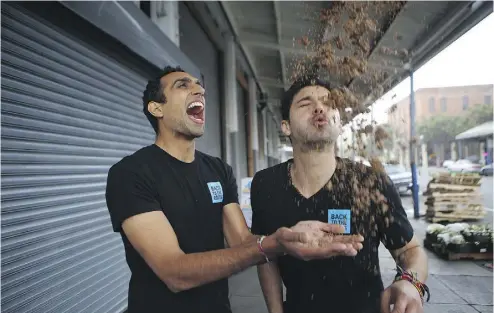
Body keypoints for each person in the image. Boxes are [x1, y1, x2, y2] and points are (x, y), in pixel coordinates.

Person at [105, 66, 365, 313]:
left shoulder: (217, 170)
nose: (200, 91)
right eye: (183, 86)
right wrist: (273, 244)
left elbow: (242, 242)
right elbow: (175, 273)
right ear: (156, 108)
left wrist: (290, 237)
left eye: (199, 85)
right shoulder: (131, 174)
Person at [250, 75, 430, 313]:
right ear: (286, 126)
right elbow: (267, 256)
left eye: (329, 103)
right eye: (305, 103)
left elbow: (410, 250)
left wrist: (410, 283)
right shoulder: (266, 184)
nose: (319, 108)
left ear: (340, 124)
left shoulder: (370, 181)